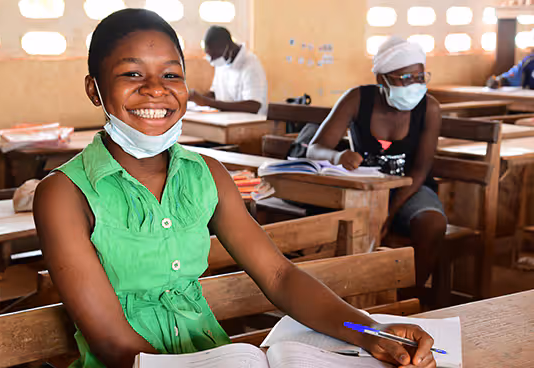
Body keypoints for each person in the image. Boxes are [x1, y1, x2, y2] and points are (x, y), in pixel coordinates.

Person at [33, 11, 436, 368]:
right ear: (94, 89)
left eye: (172, 74)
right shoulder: (64, 194)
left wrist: (369, 331)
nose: (156, 89)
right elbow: (112, 342)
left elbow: (279, 276)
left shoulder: (206, 175)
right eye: (132, 73)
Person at [307, 36, 447, 292]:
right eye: (404, 79)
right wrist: (339, 156)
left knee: (432, 223)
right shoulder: (357, 99)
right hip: (364, 190)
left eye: (419, 77)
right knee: (325, 225)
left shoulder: (429, 109)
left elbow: (419, 172)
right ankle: (346, 293)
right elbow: (315, 148)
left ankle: (410, 297)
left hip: (410, 189)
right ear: (381, 79)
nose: (414, 85)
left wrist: (389, 212)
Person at [188, 26, 268, 114]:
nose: (211, 60)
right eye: (209, 56)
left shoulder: (251, 65)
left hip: (250, 124)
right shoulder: (223, 61)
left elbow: (254, 106)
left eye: (215, 55)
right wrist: (195, 99)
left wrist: (207, 102)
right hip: (226, 120)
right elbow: (215, 93)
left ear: (227, 46)